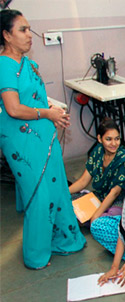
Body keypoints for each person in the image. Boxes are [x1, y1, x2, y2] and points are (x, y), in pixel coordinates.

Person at [0, 9, 86, 269]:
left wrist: (53, 111)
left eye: (29, 29)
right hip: (22, 142)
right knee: (39, 194)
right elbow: (13, 108)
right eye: (22, 30)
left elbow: (33, 99)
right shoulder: (4, 66)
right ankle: (36, 255)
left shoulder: (27, 65)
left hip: (42, 137)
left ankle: (65, 240)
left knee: (57, 186)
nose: (30, 35)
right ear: (6, 35)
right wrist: (47, 113)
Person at [69, 118, 125, 221]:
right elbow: (83, 181)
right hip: (101, 196)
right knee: (68, 201)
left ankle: (93, 219)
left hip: (119, 200)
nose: (114, 144)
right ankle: (90, 218)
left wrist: (96, 215)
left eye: (117, 139)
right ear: (100, 139)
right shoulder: (98, 152)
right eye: (108, 139)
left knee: (108, 217)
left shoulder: (124, 159)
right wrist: (63, 193)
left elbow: (114, 193)